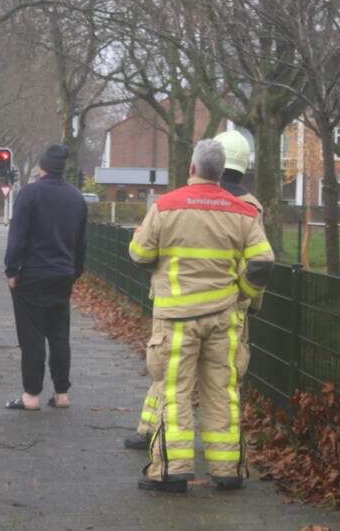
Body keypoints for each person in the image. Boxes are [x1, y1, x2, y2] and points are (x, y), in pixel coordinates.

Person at [130, 139, 273, 492]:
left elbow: (139, 253)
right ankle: (227, 472)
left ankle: (171, 472)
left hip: (176, 319)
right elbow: (262, 261)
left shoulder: (166, 206)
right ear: (221, 172)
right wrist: (243, 292)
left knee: (175, 392)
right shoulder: (243, 211)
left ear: (192, 169)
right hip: (223, 319)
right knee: (222, 392)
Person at [3, 144, 87, 411]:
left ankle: (31, 396)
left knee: (33, 336)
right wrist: (74, 272)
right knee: (59, 334)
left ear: (41, 167)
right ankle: (62, 394)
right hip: (63, 275)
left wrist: (12, 271)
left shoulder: (30, 194)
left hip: (32, 276)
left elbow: (17, 236)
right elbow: (81, 242)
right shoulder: (76, 198)